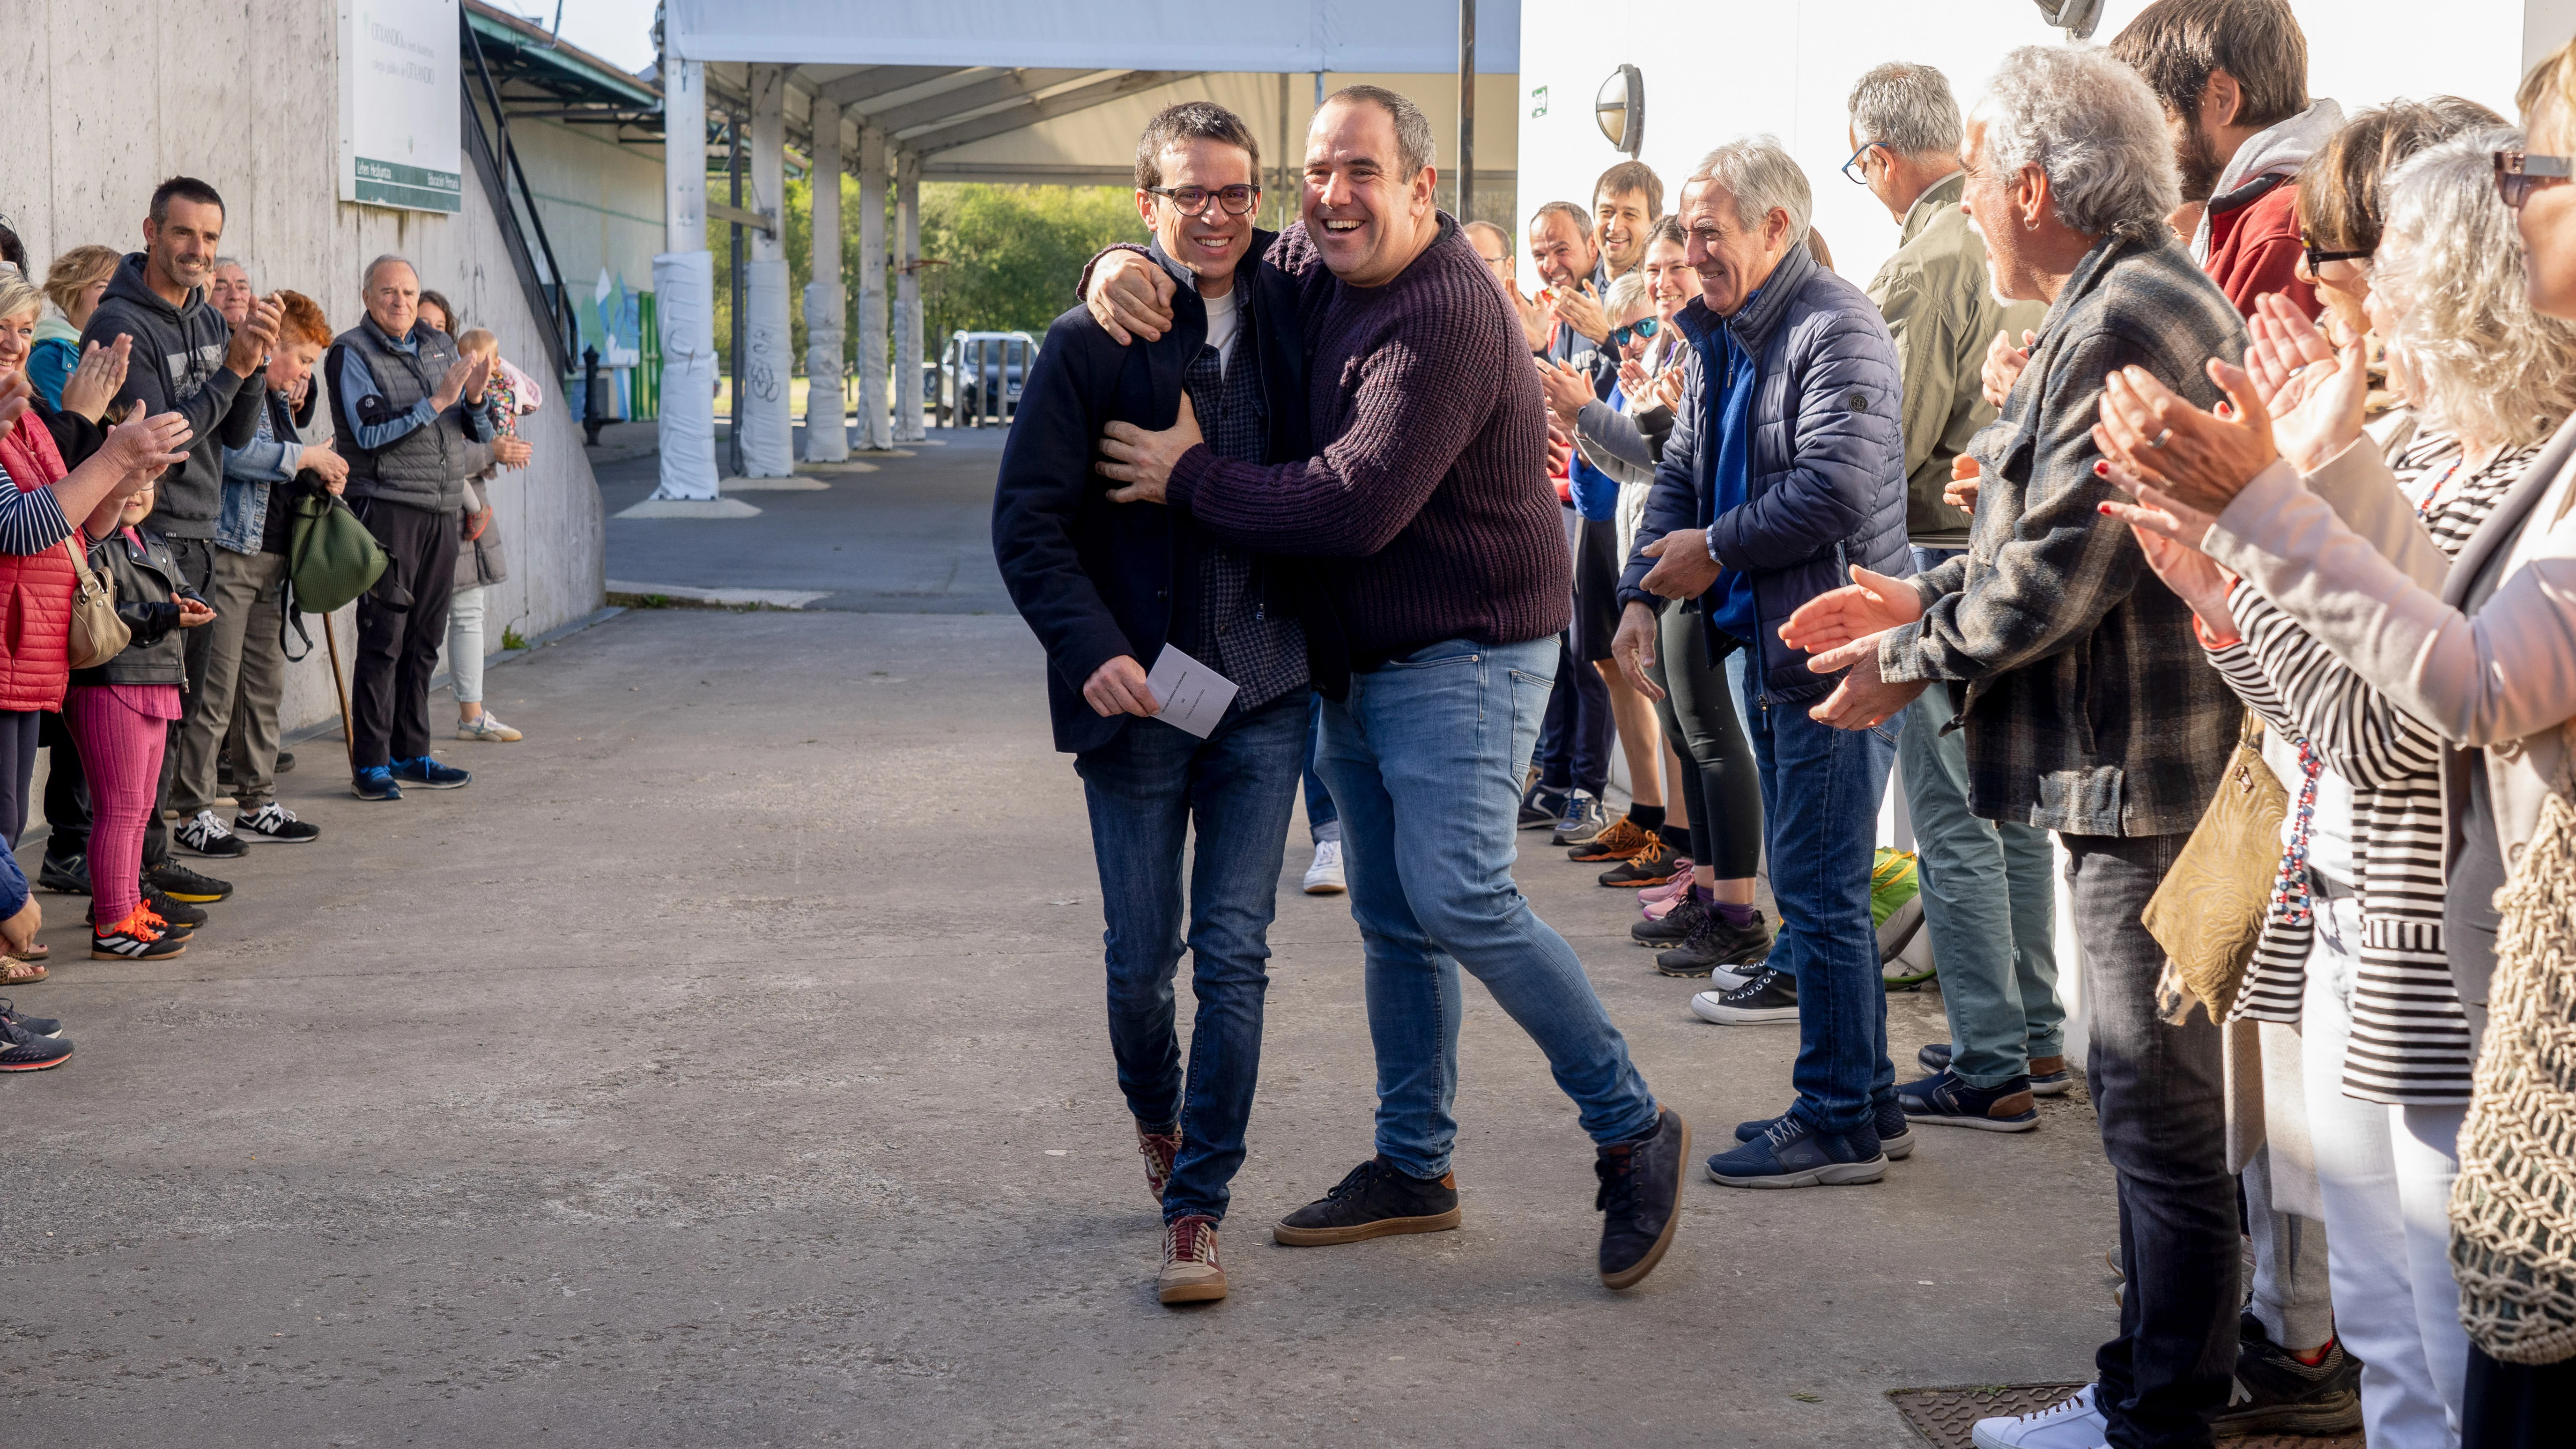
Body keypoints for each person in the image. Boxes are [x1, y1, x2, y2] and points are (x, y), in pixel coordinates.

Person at [1083, 82, 1690, 1290]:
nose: (1329, 195)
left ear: (1419, 187)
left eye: (1360, 172)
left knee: (1458, 897)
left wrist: (1188, 477)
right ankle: (1415, 1165)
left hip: (1465, 649)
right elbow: (1211, 240)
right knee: (1390, 917)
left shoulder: (1445, 319)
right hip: (1358, 659)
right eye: (1315, 172)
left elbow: (1349, 506)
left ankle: (1629, 1129)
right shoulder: (1311, 259)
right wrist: (1115, 261)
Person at [2092, 41, 2576, 1443]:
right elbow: (2342, 711)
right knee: (2395, 1340)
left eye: (2364, 263)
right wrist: (2229, 591)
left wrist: (2261, 525)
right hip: (2364, 923)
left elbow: (2424, 711)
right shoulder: (2422, 447)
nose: (2328, 297)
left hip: (2450, 954)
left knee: (2455, 1337)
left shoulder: (2512, 460)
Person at [1778, 46, 2247, 1449]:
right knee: (2144, 1104)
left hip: (2146, 778)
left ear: (2036, 186)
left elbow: (2059, 565)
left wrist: (1906, 647)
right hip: (2132, 767)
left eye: (1982, 178)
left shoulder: (2128, 310)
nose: (1973, 204)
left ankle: (2158, 1404)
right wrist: (1916, 601)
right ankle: (2143, 1384)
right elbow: (2044, 539)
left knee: (2155, 1115)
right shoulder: (2125, 296)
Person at [995, 101, 1332, 1304]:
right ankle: (1157, 1117)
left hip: (1268, 691)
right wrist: (1086, 648)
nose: (1216, 215)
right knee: (1144, 962)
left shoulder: (1301, 309)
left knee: (1233, 956)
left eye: (1237, 192)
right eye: (1189, 194)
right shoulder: (1091, 340)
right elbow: (1025, 525)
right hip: (1139, 697)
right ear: (1146, 205)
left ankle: (1196, 1208)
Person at [1605, 133, 1910, 1190]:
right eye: (1684, 236)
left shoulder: (1837, 326)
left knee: (1819, 894)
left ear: (1775, 228)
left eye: (1706, 233)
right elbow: (1681, 467)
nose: (1689, 254)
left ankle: (1832, 1117)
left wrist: (1714, 550)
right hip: (1780, 647)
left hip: (1835, 651)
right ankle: (1866, 1099)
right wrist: (1643, 591)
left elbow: (1834, 488)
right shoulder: (1724, 332)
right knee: (1816, 886)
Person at [1842, 60, 2073, 1131]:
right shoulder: (2006, 255)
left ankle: (1990, 1061)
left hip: (1946, 560)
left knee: (1952, 816)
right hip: (2011, 555)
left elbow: (1878, 447)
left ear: (1883, 158)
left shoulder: (1928, 256)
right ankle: (2025, 1031)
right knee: (2007, 804)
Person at [80, 176, 278, 909]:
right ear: (152, 231)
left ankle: (151, 867)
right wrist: (231, 370)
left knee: (174, 717)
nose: (199, 251)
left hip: (201, 535)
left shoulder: (204, 316)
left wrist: (251, 361)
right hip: (141, 536)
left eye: (211, 239)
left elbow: (237, 431)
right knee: (132, 726)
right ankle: (118, 882)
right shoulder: (119, 323)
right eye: (185, 234)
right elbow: (164, 443)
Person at [170, 289, 342, 854]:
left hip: (272, 562)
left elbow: (277, 469)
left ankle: (257, 799)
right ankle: (193, 809)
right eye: (303, 360)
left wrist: (317, 470)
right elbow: (231, 454)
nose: (304, 375)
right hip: (230, 553)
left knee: (264, 689)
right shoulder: (242, 382)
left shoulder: (279, 401)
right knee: (215, 692)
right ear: (271, 349)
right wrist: (306, 457)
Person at [1541, 269, 1687, 892]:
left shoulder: (1669, 337)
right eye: (1655, 272)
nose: (1664, 281)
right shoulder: (1619, 336)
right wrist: (1583, 418)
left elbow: (1659, 451)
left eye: (1671, 266)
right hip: (1606, 512)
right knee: (1606, 661)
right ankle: (1651, 813)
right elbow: (1620, 443)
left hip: (1647, 525)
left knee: (1667, 690)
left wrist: (1607, 343)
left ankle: (1681, 841)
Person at [329, 254, 490, 801]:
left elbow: (475, 429)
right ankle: (371, 764)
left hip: (442, 509)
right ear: (367, 296)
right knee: (384, 639)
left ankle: (411, 751)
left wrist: (472, 398)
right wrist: (439, 399)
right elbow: (369, 432)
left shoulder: (440, 344)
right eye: (388, 292)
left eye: (407, 292)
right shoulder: (351, 352)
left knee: (426, 638)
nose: (399, 302)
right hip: (388, 507)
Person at [2109, 0, 2341, 315]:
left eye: (2152, 118)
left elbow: (2221, 365)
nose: (2140, 144)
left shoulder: (2280, 226)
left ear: (2222, 98)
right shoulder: (2255, 216)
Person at [71, 473, 212, 961]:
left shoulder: (152, 541)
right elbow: (102, 611)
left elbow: (178, 588)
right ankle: (112, 922)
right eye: (125, 481)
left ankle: (129, 906)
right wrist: (167, 615)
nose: (137, 493)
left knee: (138, 810)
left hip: (156, 681)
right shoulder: (91, 543)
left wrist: (188, 602)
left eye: (147, 483)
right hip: (114, 682)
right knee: (121, 809)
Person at [1522, 200, 1619, 843]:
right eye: (1540, 254)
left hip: (1600, 506)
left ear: (1590, 244)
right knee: (1557, 647)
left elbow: (1619, 403)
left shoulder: (1608, 312)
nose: (1552, 265)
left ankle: (1588, 787)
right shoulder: (1555, 318)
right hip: (1555, 499)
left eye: (1562, 249)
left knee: (1592, 653)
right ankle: (1553, 777)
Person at [449, 325, 537, 744]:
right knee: (410, 622)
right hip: (420, 508)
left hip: (465, 514)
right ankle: (391, 720)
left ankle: (472, 713)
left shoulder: (481, 387)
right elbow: (436, 453)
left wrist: (481, 406)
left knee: (468, 614)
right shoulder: (431, 378)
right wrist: (491, 452)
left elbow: (484, 437)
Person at [31, 245, 118, 409]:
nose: (115, 296)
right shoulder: (49, 358)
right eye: (103, 287)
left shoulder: (128, 346)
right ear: (75, 291)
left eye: (121, 288)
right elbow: (71, 429)